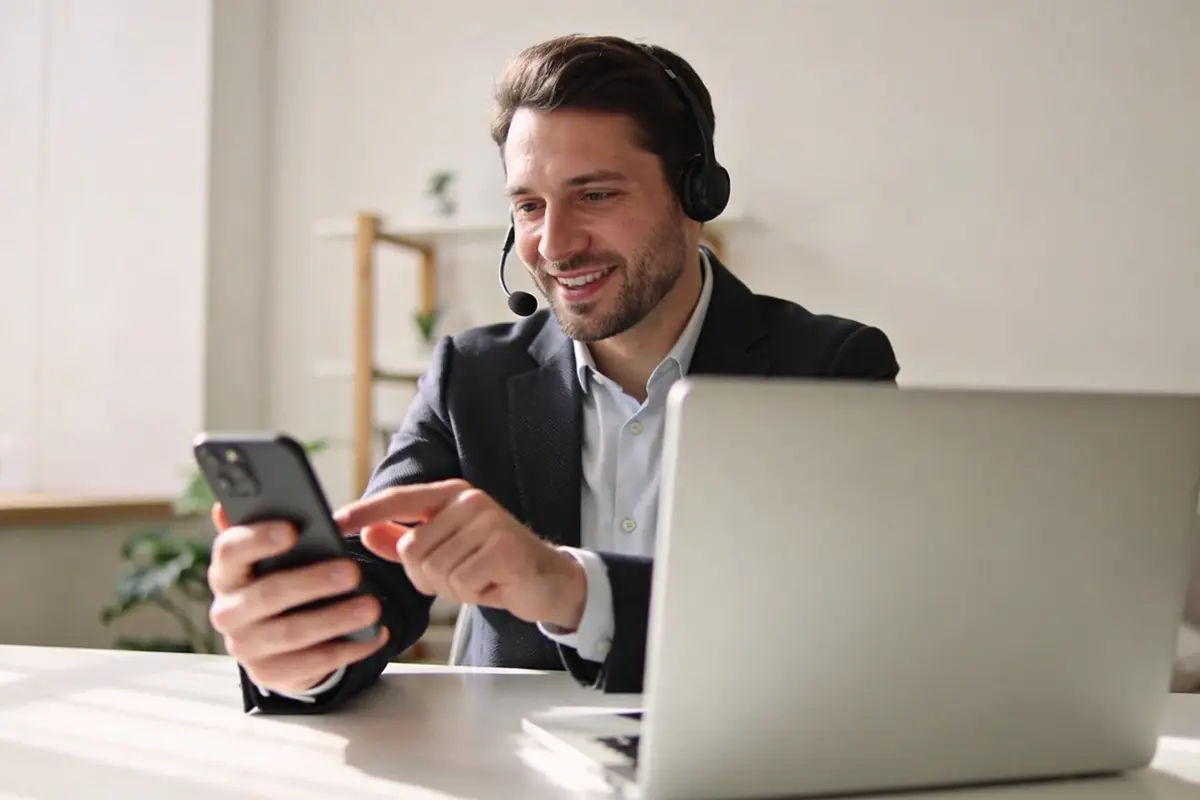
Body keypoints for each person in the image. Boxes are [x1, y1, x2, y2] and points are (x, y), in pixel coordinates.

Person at [206, 33, 901, 715]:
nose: (555, 244)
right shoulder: (468, 377)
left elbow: (835, 631)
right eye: (529, 206)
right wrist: (301, 644)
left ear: (696, 193)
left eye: (595, 195)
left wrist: (570, 588)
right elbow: (374, 586)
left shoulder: (829, 370)